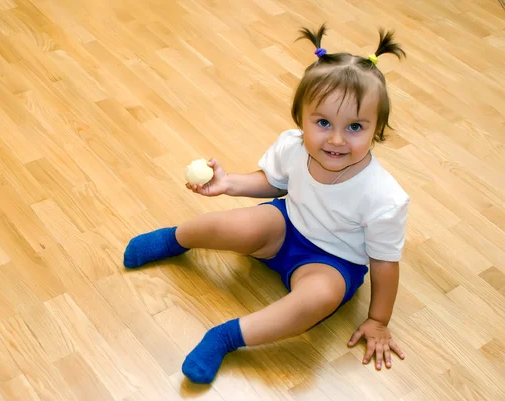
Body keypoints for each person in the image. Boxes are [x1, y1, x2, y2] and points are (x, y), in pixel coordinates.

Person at [122, 23, 410, 384]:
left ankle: (225, 337)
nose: (336, 139)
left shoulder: (384, 197)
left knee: (316, 300)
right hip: (285, 225)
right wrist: (229, 184)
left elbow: (385, 264)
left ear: (376, 130)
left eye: (355, 127)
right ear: (300, 120)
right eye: (322, 122)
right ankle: (175, 239)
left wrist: (378, 320)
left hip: (332, 263)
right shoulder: (293, 146)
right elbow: (271, 183)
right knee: (227, 223)